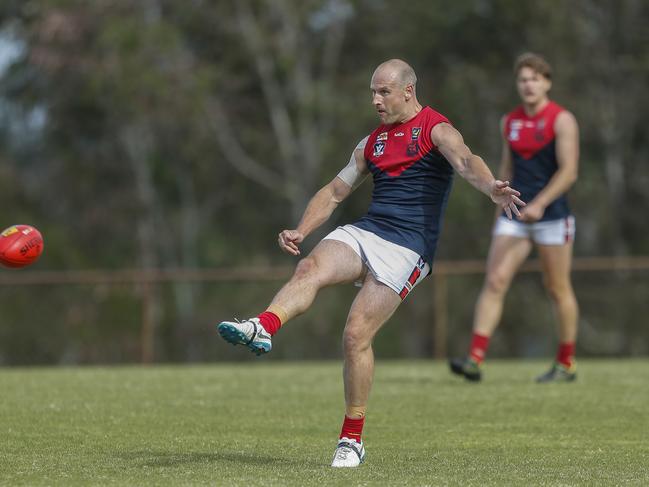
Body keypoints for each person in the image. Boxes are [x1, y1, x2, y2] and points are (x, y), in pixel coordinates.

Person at [217, 59, 524, 468]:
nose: (375, 100)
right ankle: (263, 326)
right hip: (367, 231)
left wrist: (491, 188)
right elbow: (335, 191)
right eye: (372, 92)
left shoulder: (436, 129)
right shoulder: (371, 143)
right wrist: (301, 229)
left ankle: (351, 440)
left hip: (408, 248)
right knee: (309, 268)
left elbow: (467, 162)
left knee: (354, 335)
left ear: (407, 92)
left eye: (383, 92)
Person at [449, 53, 579, 383]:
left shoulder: (562, 120)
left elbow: (569, 172)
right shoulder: (510, 121)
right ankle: (475, 359)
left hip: (552, 217)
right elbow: (507, 168)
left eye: (535, 78)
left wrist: (541, 203)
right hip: (515, 214)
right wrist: (499, 207)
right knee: (495, 280)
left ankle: (565, 363)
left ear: (547, 82)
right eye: (523, 79)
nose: (529, 85)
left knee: (557, 288)